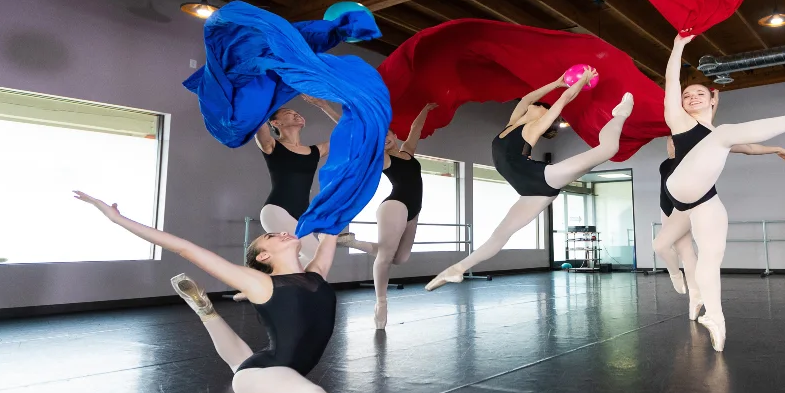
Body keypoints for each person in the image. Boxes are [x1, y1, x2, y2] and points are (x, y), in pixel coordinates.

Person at [72, 191, 424, 393]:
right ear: (265, 256)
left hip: (272, 367)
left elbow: (334, 219)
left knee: (242, 360)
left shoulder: (317, 272)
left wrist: (352, 173)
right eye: (271, 236)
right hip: (264, 376)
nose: (283, 232)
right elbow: (184, 247)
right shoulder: (259, 282)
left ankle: (205, 310)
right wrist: (117, 219)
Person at [661, 33, 785, 352]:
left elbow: (747, 146)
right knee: (723, 135)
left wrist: (776, 148)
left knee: (712, 255)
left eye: (699, 93)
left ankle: (716, 319)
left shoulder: (719, 134)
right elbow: (670, 82)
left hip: (704, 198)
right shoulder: (679, 122)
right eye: (686, 94)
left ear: (713, 99)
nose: (691, 97)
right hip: (678, 185)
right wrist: (678, 46)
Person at [425, 68, 634, 290]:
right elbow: (527, 98)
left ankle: (620, 114)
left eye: (543, 107)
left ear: (544, 117)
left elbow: (564, 100)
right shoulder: (512, 123)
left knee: (608, 148)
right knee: (500, 235)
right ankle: (456, 269)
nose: (539, 104)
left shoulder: (534, 128)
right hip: (529, 191)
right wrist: (556, 82)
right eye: (540, 104)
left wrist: (581, 81)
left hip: (542, 177)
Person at [653, 134, 785, 321]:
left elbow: (747, 147)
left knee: (660, 245)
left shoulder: (698, 152)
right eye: (668, 140)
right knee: (684, 252)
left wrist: (777, 149)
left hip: (686, 207)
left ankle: (675, 275)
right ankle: (695, 298)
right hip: (666, 208)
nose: (671, 144)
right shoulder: (667, 161)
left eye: (675, 140)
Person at [337, 102, 437, 330]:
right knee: (385, 258)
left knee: (400, 258)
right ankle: (381, 302)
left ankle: (351, 241)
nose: (385, 140)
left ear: (393, 134)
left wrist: (424, 110)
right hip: (395, 205)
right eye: (379, 139)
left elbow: (415, 130)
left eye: (387, 135)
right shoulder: (383, 159)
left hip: (414, 210)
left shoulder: (406, 152)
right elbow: (358, 135)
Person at [254, 95, 341, 264]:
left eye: (297, 112)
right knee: (317, 256)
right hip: (277, 210)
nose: (296, 114)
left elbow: (348, 132)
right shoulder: (271, 145)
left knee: (300, 260)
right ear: (275, 123)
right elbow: (257, 120)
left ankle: (263, 287)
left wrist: (323, 105)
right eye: (288, 112)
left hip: (302, 214)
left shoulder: (316, 151)